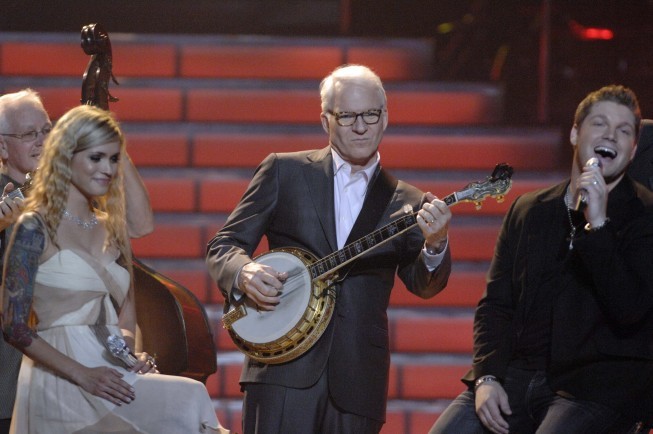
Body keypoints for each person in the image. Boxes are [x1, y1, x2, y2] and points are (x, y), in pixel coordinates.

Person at [206, 64, 453, 434]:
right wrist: (244, 271)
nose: (360, 126)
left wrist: (436, 244)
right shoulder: (283, 171)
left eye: (370, 114)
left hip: (358, 381)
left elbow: (424, 284)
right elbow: (224, 245)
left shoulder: (408, 201)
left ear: (385, 118)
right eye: (347, 115)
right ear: (326, 121)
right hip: (282, 367)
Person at [429, 85, 653, 434]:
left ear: (634, 148)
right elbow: (496, 304)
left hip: (594, 389)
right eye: (600, 124)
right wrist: (487, 377)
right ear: (575, 133)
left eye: (624, 131)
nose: (611, 135)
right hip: (517, 375)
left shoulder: (644, 215)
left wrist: (599, 225)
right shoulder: (531, 209)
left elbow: (630, 310)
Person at [0, 105, 229, 433]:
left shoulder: (113, 229)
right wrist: (84, 375)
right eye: (96, 158)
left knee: (189, 399)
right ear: (65, 157)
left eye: (113, 159)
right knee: (189, 399)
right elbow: (14, 327)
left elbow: (125, 313)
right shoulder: (34, 226)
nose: (107, 169)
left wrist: (128, 355)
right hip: (60, 376)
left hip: (110, 369)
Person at [0, 89, 155, 433]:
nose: (41, 141)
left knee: (185, 405)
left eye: (47, 130)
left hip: (104, 362)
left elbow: (142, 226)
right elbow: (14, 319)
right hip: (34, 365)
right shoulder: (22, 212)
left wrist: (107, 135)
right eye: (29, 134)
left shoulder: (94, 211)